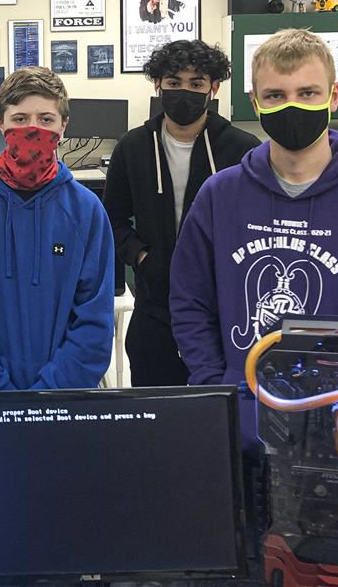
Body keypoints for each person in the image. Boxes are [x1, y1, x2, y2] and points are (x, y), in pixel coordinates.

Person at [170, 27, 338, 427]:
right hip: (239, 411)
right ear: (255, 103)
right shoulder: (220, 195)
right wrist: (217, 385)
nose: (292, 106)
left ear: (333, 96)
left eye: (307, 93)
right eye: (275, 95)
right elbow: (190, 302)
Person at [0, 66, 114, 391]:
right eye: (20, 119)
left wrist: (49, 394)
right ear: (0, 122)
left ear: (64, 126)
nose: (33, 129)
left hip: (64, 403)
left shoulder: (86, 211)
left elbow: (94, 321)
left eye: (46, 120)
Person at [103, 39, 259, 388]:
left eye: (196, 83)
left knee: (218, 411)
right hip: (154, 307)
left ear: (213, 88)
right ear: (158, 85)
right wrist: (141, 256)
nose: (183, 92)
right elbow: (111, 217)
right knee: (155, 411)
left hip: (225, 310)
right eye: (174, 83)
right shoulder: (133, 147)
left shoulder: (242, 149)